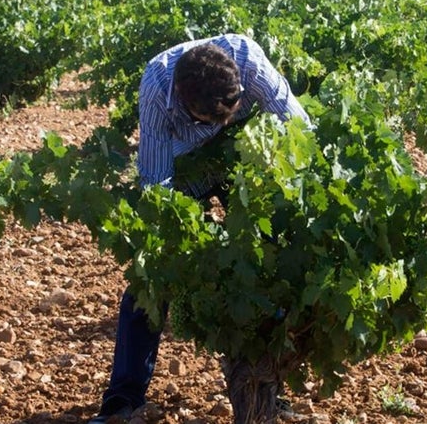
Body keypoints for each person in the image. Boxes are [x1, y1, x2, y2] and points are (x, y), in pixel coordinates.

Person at [89, 33, 312, 423]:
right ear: (186, 100)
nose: (219, 123)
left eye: (231, 109)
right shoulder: (157, 87)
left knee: (271, 264)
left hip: (244, 158)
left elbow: (298, 127)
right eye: (210, 119)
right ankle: (123, 400)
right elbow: (157, 184)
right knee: (151, 281)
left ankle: (269, 390)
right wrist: (170, 244)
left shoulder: (248, 60)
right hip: (186, 168)